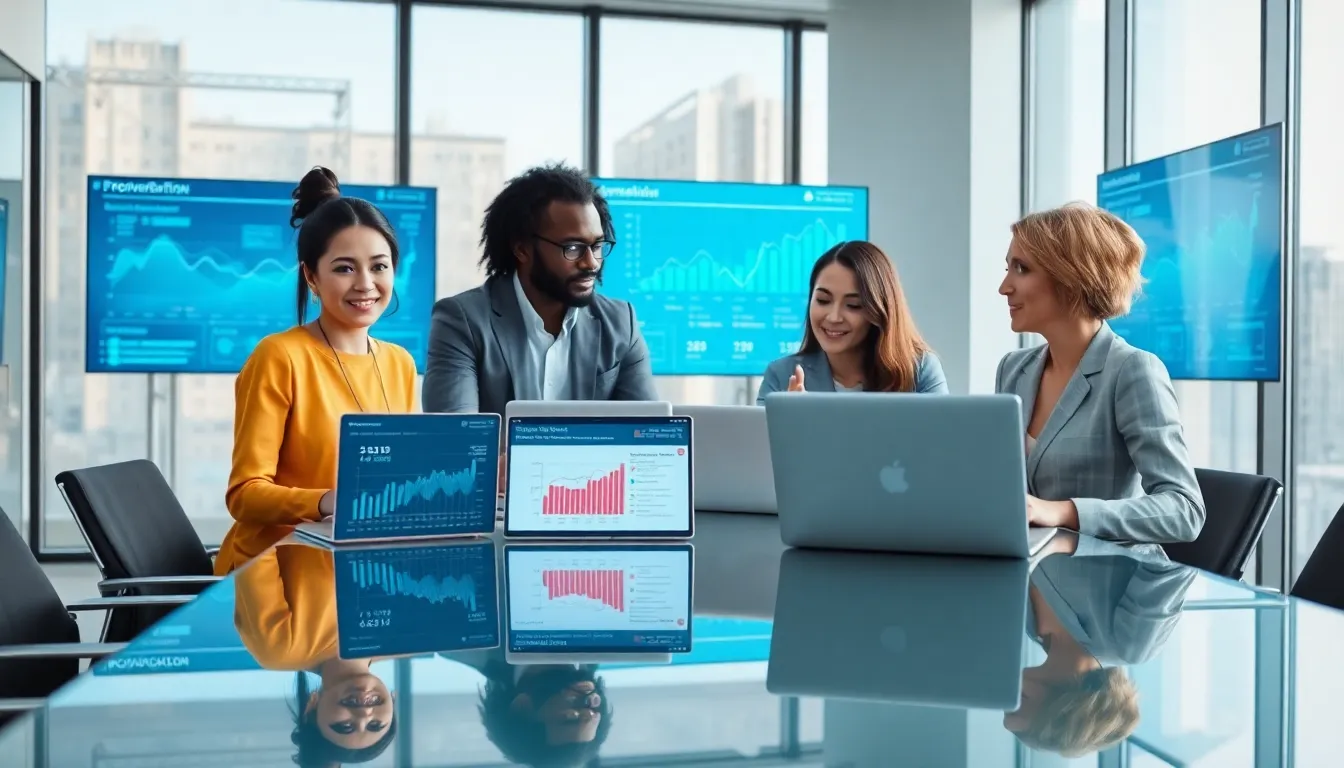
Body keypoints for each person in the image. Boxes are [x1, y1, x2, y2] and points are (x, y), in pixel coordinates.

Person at [215, 167, 417, 575]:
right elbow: (245, 495)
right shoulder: (280, 357)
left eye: (379, 267)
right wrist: (328, 502)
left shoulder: (400, 362)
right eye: (344, 268)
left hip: (358, 563)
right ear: (312, 276)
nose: (366, 284)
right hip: (275, 572)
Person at [996, 202, 1205, 544]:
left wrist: (1064, 511)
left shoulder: (1132, 370)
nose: (1004, 287)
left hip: (1111, 583)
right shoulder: (1014, 369)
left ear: (1070, 276)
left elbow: (1185, 511)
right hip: (1035, 569)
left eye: (1021, 269)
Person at [421, 163, 658, 415]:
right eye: (573, 248)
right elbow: (457, 440)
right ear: (522, 249)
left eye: (597, 246)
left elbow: (649, 436)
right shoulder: (463, 320)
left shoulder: (621, 323)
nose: (591, 263)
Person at [234, 544, 398, 764]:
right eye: (375, 725)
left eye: (344, 726)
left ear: (311, 707)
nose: (364, 716)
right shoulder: (411, 635)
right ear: (393, 703)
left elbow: (252, 542)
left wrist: (323, 516)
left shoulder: (278, 648)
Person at [756, 240, 947, 403]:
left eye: (853, 305)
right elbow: (759, 446)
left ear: (879, 311)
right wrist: (792, 425)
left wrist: (816, 420)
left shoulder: (920, 371)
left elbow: (943, 444)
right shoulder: (781, 375)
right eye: (823, 300)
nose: (833, 317)